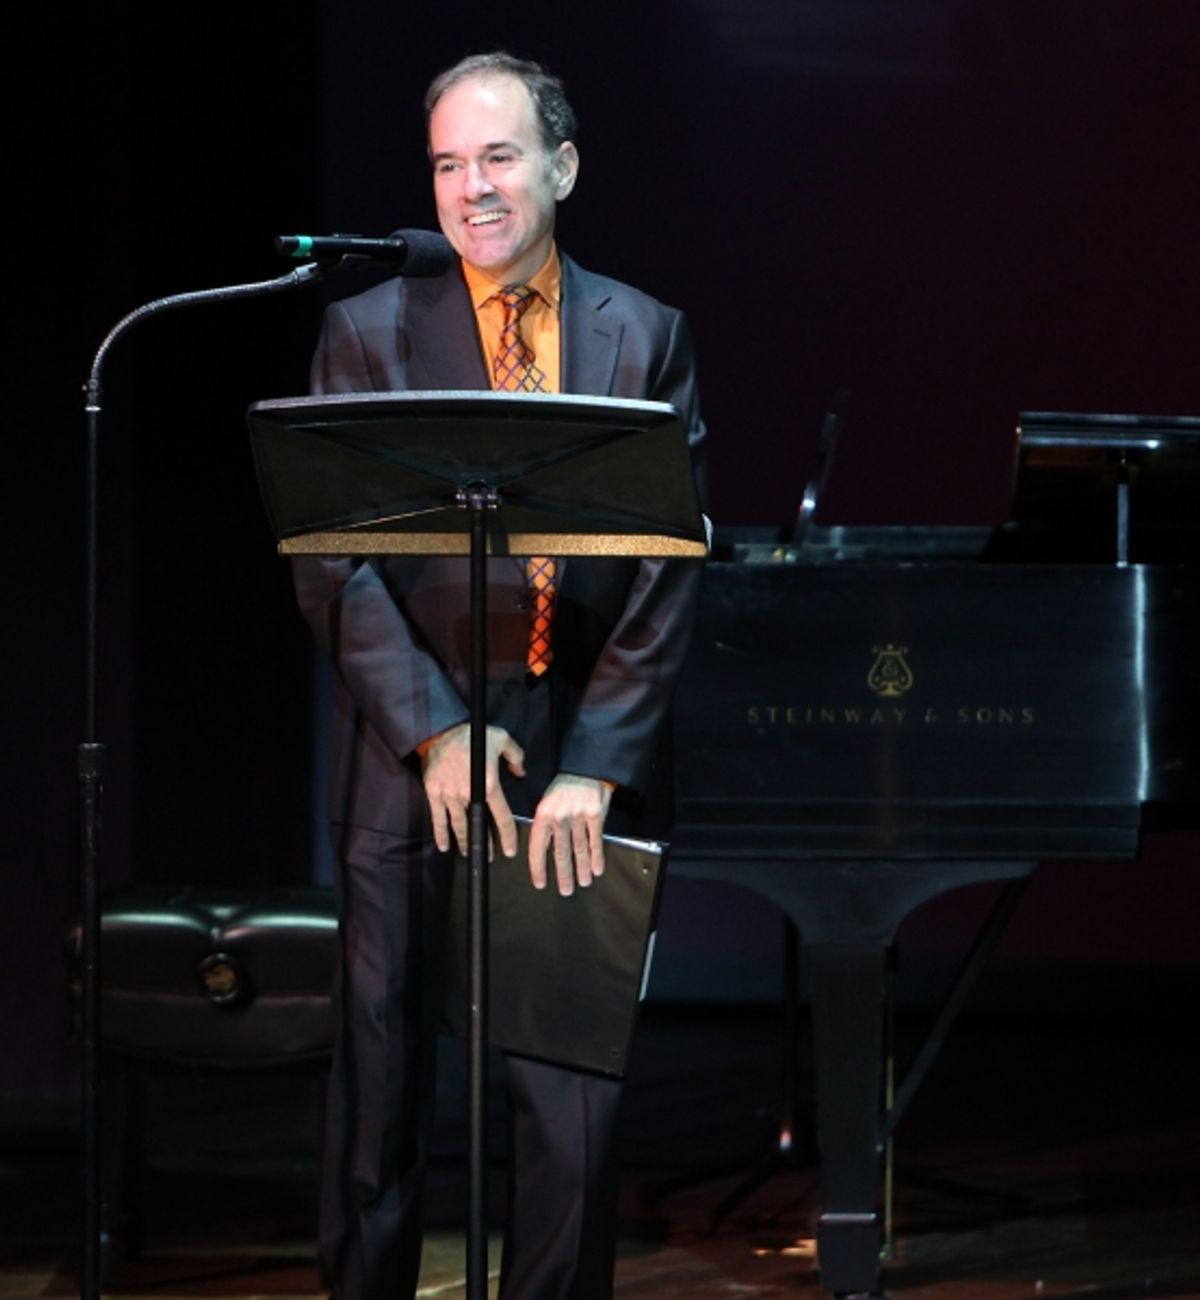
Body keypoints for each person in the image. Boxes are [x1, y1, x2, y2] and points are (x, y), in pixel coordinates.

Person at [292, 51, 707, 1300]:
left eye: (498, 157)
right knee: (377, 1087)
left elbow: (673, 562)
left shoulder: (645, 334)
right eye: (447, 164)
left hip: (573, 746)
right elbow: (332, 559)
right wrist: (434, 729)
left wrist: (597, 763)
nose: (471, 188)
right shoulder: (367, 330)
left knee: (566, 1105)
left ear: (561, 167)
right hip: (409, 747)